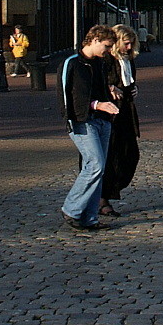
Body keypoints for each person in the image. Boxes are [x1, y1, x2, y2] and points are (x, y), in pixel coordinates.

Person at [57, 25, 120, 230]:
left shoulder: (100, 64)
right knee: (95, 165)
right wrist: (96, 105)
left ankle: (89, 217)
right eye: (106, 46)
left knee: (96, 169)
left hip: (103, 120)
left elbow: (100, 89)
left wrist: (110, 93)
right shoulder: (72, 64)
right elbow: (69, 97)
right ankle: (72, 208)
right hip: (82, 120)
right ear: (94, 40)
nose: (108, 51)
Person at [99, 25, 141, 217]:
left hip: (126, 112)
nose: (130, 46)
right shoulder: (106, 60)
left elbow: (129, 82)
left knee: (130, 154)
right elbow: (98, 81)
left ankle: (112, 188)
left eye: (131, 43)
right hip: (110, 114)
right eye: (126, 43)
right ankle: (102, 197)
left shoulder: (128, 60)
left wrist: (133, 89)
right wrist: (109, 87)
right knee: (111, 155)